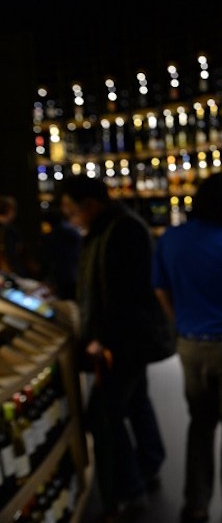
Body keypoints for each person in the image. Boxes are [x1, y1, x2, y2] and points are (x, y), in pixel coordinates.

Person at [152, 171, 222, 523]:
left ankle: (196, 503)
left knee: (200, 424)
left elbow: (160, 288)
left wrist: (181, 323)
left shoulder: (172, 239)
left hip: (190, 345)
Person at [58, 175, 167, 521]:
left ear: (89, 204)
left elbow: (125, 295)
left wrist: (100, 339)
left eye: (71, 211)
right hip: (126, 339)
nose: (71, 218)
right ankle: (149, 463)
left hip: (123, 341)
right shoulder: (111, 227)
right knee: (135, 401)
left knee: (104, 413)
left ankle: (130, 490)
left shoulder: (122, 230)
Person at [40, 208, 81, 300]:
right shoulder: (73, 232)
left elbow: (50, 259)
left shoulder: (52, 235)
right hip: (74, 274)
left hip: (61, 275)